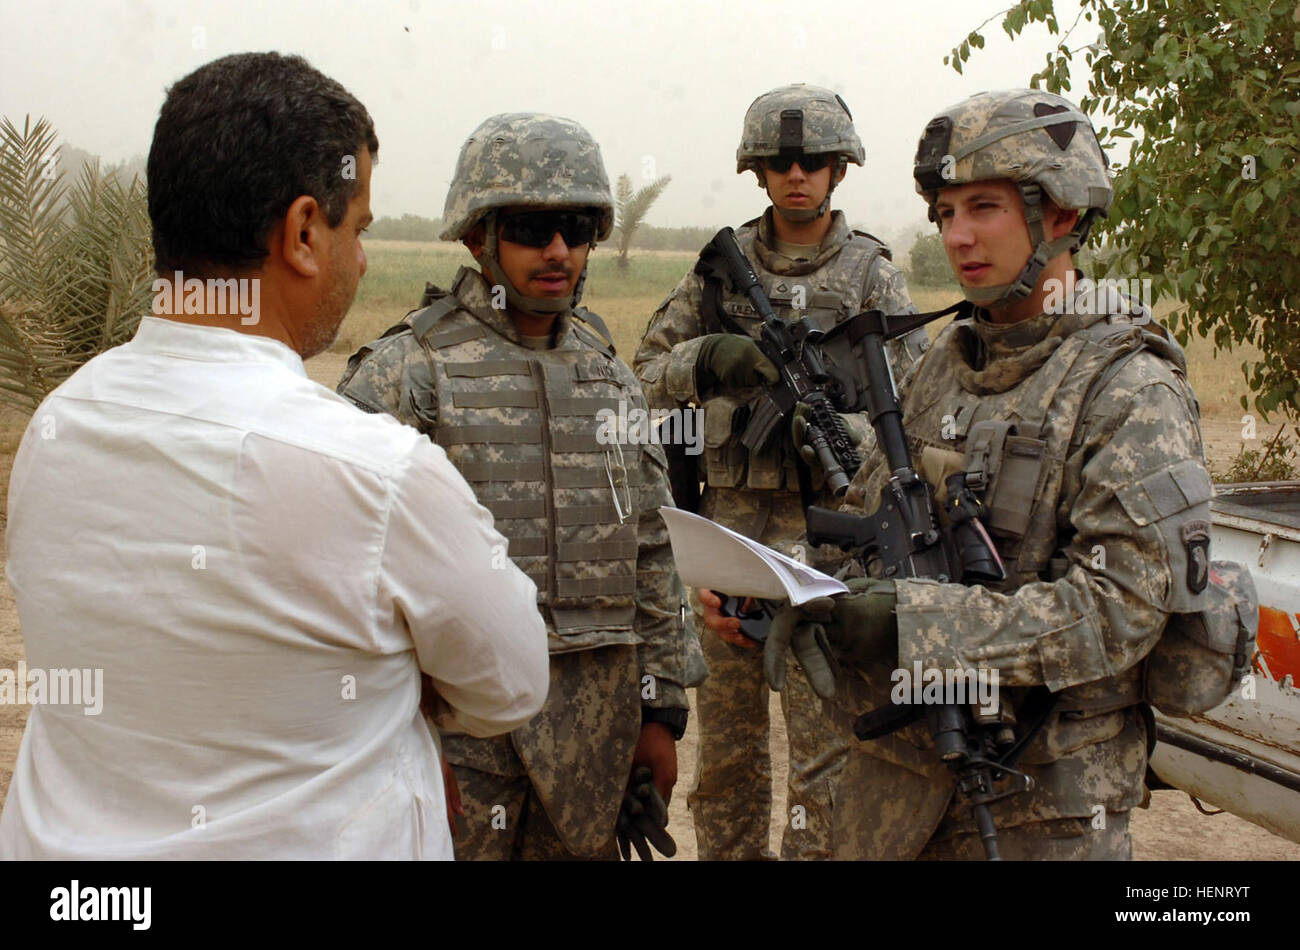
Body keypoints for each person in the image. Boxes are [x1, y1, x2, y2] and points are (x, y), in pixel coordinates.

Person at [0, 52, 548, 861]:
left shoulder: (56, 428)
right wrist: (400, 677)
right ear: (301, 233)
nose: (360, 258)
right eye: (355, 228)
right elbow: (512, 683)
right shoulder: (376, 474)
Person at [751, 88, 1221, 859]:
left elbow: (1119, 611)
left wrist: (913, 623)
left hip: (1039, 806)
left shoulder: (1128, 387)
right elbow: (869, 523)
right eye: (944, 213)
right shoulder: (948, 359)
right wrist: (779, 588)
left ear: (1060, 216)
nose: (958, 236)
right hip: (898, 789)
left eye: (985, 208)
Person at [337, 113, 705, 861]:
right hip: (457, 746)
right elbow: (343, 580)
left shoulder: (611, 377)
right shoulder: (407, 376)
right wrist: (387, 740)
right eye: (534, 229)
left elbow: (650, 548)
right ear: (480, 237)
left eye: (576, 227)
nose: (559, 251)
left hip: (594, 749)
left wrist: (660, 710)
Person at [633, 84, 930, 860]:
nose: (796, 175)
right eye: (779, 162)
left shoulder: (871, 276)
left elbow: (920, 415)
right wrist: (710, 358)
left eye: (813, 162)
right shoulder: (718, 273)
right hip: (727, 552)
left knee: (825, 764)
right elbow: (638, 373)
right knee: (726, 764)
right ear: (757, 172)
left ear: (839, 170)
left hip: (829, 553)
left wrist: (843, 430)